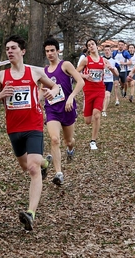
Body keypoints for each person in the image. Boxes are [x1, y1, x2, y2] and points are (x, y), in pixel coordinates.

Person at [0, 35, 59, 231]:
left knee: (33, 169)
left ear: (22, 51)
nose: (9, 51)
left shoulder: (35, 72)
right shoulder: (1, 77)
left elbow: (56, 86)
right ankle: (46, 162)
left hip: (33, 125)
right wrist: (1, 94)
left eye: (13, 48)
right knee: (27, 167)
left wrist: (52, 92)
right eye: (7, 48)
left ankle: (31, 214)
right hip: (14, 129)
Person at [42, 37, 85, 186]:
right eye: (47, 51)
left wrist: (71, 97)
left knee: (68, 141)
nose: (50, 54)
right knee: (54, 139)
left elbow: (81, 81)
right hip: (52, 109)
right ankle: (58, 173)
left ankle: (71, 149)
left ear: (58, 50)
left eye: (52, 50)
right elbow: (40, 91)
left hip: (67, 108)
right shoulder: (44, 71)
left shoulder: (65, 65)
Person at [76, 38, 118, 150]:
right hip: (88, 91)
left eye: (92, 44)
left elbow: (117, 73)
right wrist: (84, 76)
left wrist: (112, 68)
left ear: (96, 46)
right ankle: (87, 112)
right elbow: (76, 72)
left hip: (100, 90)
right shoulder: (85, 60)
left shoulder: (103, 60)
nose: (91, 46)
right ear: (88, 48)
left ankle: (93, 141)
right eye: (89, 45)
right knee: (87, 121)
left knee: (97, 114)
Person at [112, 40, 132, 104]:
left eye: (122, 45)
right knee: (115, 84)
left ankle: (124, 91)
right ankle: (117, 100)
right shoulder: (114, 53)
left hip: (123, 71)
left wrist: (124, 63)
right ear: (117, 45)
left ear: (124, 46)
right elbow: (111, 60)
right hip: (116, 70)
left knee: (125, 83)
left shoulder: (125, 53)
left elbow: (130, 62)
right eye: (119, 45)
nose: (120, 46)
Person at [102, 44, 120, 116]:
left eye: (108, 50)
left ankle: (104, 110)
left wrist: (112, 69)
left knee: (107, 95)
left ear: (110, 51)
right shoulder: (100, 59)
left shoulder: (114, 62)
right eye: (105, 50)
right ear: (104, 51)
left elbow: (117, 73)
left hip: (109, 81)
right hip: (101, 81)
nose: (107, 52)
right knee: (101, 96)